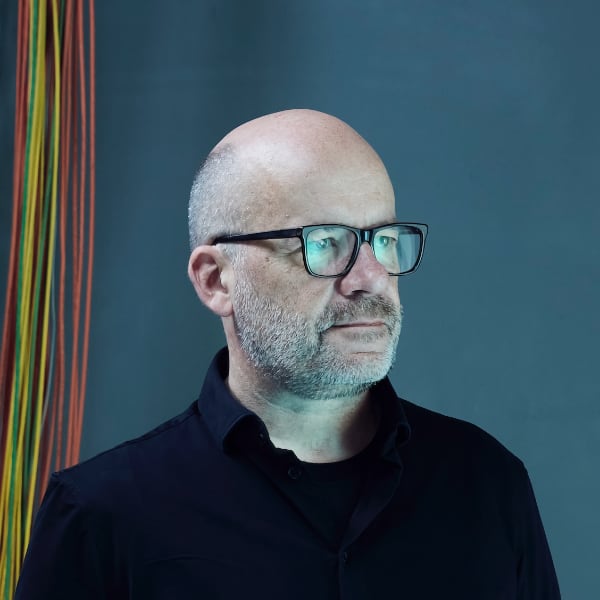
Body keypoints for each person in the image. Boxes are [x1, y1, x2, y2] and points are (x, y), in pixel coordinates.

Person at [16, 109, 560, 599]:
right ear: (216, 281)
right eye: (325, 242)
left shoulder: (488, 483)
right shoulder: (100, 514)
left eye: (385, 240)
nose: (371, 279)